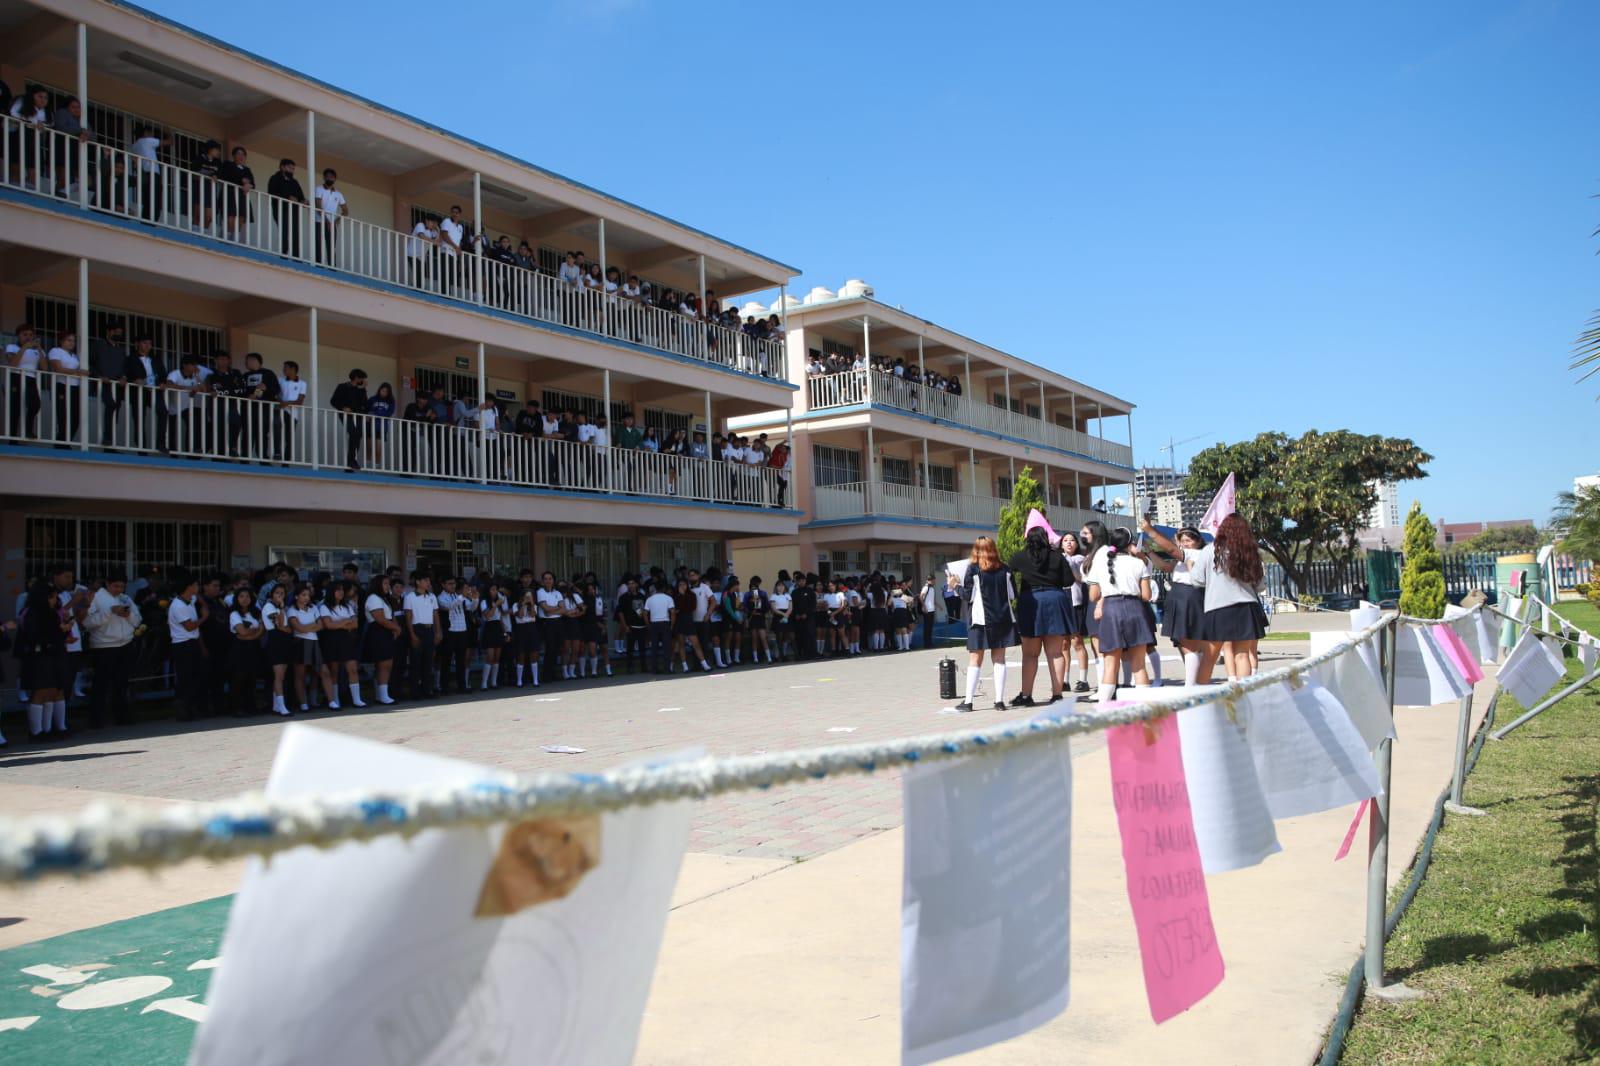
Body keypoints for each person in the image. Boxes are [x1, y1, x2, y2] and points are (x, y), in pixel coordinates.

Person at [1083, 526, 1156, 703]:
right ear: (1129, 544)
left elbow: (1093, 595)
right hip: (1135, 609)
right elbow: (1147, 596)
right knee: (1139, 665)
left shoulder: (1100, 563)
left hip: (1111, 610)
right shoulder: (1139, 563)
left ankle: (1104, 707)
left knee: (1110, 665)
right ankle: (1144, 709)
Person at [1192, 514, 1266, 682]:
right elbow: (1260, 585)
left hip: (1217, 607)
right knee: (1242, 655)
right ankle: (1243, 696)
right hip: (1246, 607)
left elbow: (1196, 579)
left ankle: (1198, 697)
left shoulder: (1210, 550)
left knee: (1209, 657)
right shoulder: (1250, 552)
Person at [1140, 519, 1211, 686]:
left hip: (1188, 595)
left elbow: (1171, 549)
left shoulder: (1197, 554)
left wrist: (1150, 531)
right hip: (1181, 595)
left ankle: (1192, 683)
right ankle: (1196, 680)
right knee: (1183, 641)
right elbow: (1166, 567)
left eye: (1189, 540)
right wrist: (1149, 552)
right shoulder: (1188, 556)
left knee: (1189, 642)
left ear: (1198, 541)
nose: (1185, 544)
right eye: (1183, 540)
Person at [1009, 525, 1072, 706]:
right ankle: (1057, 695)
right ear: (1046, 538)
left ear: (1028, 539)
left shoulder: (1020, 556)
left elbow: (1008, 572)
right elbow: (1068, 581)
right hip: (1054, 600)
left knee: (1030, 654)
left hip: (1031, 601)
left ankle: (1026, 695)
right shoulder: (1057, 556)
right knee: (1055, 653)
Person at [956, 537, 1017, 711]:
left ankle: (968, 702)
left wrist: (955, 586)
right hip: (1003, 618)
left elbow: (967, 596)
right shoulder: (1005, 569)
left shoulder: (973, 569)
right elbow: (1012, 595)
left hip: (979, 619)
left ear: (976, 549)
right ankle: (999, 701)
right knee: (999, 659)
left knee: (975, 659)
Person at [18, 581, 73, 740]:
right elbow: (34, 636)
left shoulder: (51, 612)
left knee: (53, 690)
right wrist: (58, 631)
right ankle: (36, 732)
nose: (54, 601)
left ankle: (49, 729)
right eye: (52, 597)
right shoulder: (32, 613)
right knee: (41, 691)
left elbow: (54, 635)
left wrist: (63, 630)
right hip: (39, 657)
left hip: (53, 655)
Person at [85, 573, 140, 727]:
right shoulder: (96, 598)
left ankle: (122, 717)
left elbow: (137, 620)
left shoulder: (125, 598)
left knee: (122, 683)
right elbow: (88, 622)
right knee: (101, 684)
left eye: (122, 586)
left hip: (125, 644)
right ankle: (96, 720)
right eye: (116, 586)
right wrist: (110, 612)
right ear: (108, 584)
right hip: (104, 646)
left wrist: (128, 615)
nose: (119, 589)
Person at [167, 573, 207, 722]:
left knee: (195, 676)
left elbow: (200, 600)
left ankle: (190, 708)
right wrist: (204, 617)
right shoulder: (178, 605)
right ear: (188, 587)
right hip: (182, 645)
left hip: (193, 643)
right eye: (195, 585)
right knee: (185, 678)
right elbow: (189, 626)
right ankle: (182, 709)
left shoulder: (190, 600)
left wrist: (201, 604)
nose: (198, 588)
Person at [1057, 531, 1092, 693]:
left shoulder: (1080, 560)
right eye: (1065, 540)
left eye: (1072, 540)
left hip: (1075, 602)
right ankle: (1064, 680)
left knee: (1077, 642)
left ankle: (1083, 679)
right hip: (1060, 602)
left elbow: (1081, 579)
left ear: (1077, 544)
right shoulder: (1058, 558)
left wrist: (1068, 564)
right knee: (1063, 644)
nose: (1069, 543)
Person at [321, 580, 364, 707]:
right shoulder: (324, 607)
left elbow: (355, 623)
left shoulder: (347, 606)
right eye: (337, 590)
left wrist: (339, 624)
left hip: (347, 640)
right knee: (334, 670)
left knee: (352, 668)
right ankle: (335, 699)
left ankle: (357, 699)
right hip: (332, 640)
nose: (341, 592)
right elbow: (329, 625)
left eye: (341, 590)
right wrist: (346, 621)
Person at [286, 584, 327, 711]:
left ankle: (320, 701)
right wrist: (310, 626)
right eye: (303, 595)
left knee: (320, 672)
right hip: (300, 643)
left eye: (308, 595)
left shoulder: (314, 607)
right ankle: (303, 703)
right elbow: (299, 628)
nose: (306, 598)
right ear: (297, 596)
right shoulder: (292, 610)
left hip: (314, 641)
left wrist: (306, 628)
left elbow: (320, 625)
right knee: (300, 674)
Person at [360, 575, 400, 704]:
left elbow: (389, 616)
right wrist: (397, 628)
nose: (388, 586)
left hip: (386, 631)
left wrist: (394, 628)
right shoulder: (373, 598)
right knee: (383, 664)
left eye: (389, 584)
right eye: (386, 584)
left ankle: (381, 694)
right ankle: (383, 696)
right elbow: (380, 619)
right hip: (378, 632)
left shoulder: (384, 599)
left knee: (387, 664)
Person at [227, 587, 264, 717]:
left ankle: (251, 706)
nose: (244, 599)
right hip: (239, 650)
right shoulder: (234, 614)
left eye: (247, 596)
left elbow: (261, 630)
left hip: (253, 648)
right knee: (238, 678)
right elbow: (241, 632)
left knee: (251, 678)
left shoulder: (255, 612)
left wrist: (251, 635)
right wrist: (255, 632)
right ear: (236, 599)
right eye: (241, 596)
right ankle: (237, 707)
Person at [5, 322, 45, 440]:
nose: (28, 337)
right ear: (18, 335)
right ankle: (12, 438)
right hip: (16, 378)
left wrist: (40, 350)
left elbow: (44, 368)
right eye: (24, 334)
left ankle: (28, 430)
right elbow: (13, 364)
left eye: (31, 335)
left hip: (31, 378)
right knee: (15, 408)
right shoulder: (12, 347)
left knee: (35, 405)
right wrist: (24, 348)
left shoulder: (37, 351)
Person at [47, 330, 86, 445]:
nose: (72, 343)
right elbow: (58, 368)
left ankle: (64, 442)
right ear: (61, 341)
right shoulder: (56, 351)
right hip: (61, 386)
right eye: (69, 340)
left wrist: (79, 373)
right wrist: (77, 372)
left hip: (75, 388)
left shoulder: (75, 356)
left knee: (75, 419)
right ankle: (61, 443)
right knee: (63, 417)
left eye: (73, 341)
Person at [261, 582, 294, 715]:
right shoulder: (269, 607)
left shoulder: (281, 608)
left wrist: (285, 628)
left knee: (282, 675)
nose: (280, 595)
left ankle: (276, 705)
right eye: (277, 593)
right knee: (278, 676)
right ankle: (282, 707)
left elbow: (288, 628)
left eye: (282, 593)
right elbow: (279, 625)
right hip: (275, 640)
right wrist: (281, 608)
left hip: (284, 641)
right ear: (272, 594)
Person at [437, 576, 471, 694]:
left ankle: (462, 685)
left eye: (454, 583)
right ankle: (444, 687)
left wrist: (475, 598)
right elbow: (449, 606)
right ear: (443, 585)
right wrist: (463, 596)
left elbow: (470, 607)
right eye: (450, 583)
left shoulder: (457, 596)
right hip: (450, 631)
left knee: (461, 660)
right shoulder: (441, 597)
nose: (453, 586)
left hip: (462, 630)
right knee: (446, 660)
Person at [330, 368, 369, 472]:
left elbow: (365, 405)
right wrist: (343, 408)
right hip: (346, 415)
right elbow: (333, 401)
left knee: (358, 435)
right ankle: (351, 461)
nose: (363, 381)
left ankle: (351, 462)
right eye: (362, 378)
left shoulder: (360, 390)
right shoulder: (342, 387)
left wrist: (363, 389)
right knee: (354, 433)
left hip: (358, 416)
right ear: (356, 378)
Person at [267, 158, 306, 257]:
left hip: (293, 211)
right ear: (282, 167)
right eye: (290, 168)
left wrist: (304, 202)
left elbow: (301, 197)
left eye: (293, 169)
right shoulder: (275, 178)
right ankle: (283, 256)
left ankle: (296, 258)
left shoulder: (294, 182)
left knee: (295, 234)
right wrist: (287, 197)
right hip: (281, 210)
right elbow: (272, 193)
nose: (292, 171)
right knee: (284, 233)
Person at [218, 145, 256, 242]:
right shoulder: (228, 164)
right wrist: (242, 180)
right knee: (230, 218)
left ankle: (234, 242)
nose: (241, 156)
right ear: (233, 156)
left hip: (242, 196)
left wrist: (249, 185)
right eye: (238, 154)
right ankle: (225, 241)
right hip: (229, 194)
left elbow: (253, 184)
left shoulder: (247, 169)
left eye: (243, 154)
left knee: (240, 219)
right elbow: (223, 176)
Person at [314, 167, 347, 265]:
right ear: (324, 177)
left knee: (331, 245)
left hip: (332, 224)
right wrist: (327, 221)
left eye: (332, 177)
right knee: (318, 243)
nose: (330, 179)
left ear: (335, 179)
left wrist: (337, 220)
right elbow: (318, 206)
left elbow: (345, 210)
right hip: (319, 221)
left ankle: (332, 267)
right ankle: (318, 265)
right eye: (327, 177)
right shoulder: (318, 189)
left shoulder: (338, 194)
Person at [479, 581, 508, 690]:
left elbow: (500, 618)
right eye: (492, 590)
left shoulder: (498, 602)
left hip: (497, 628)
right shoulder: (484, 602)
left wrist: (505, 632)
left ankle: (494, 682)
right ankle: (484, 683)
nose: (495, 592)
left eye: (496, 590)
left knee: (497, 656)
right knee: (490, 656)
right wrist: (495, 605)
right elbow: (488, 616)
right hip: (489, 627)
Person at [643, 579, 675, 674]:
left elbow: (645, 613)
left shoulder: (650, 599)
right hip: (665, 623)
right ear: (664, 588)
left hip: (654, 624)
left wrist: (648, 624)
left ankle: (654, 669)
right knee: (666, 647)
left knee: (654, 648)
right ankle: (667, 669)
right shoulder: (668, 598)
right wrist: (672, 624)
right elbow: (672, 612)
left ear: (655, 588)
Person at [512, 585, 541, 687]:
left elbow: (533, 615)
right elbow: (520, 615)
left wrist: (532, 603)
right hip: (521, 630)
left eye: (530, 596)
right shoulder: (516, 605)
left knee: (534, 654)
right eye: (527, 596)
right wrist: (523, 604)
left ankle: (535, 680)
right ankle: (519, 680)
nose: (528, 598)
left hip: (531, 629)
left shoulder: (534, 605)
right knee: (521, 655)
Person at [919, 573, 939, 651]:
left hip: (932, 609)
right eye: (932, 580)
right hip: (927, 610)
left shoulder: (932, 589)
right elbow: (920, 596)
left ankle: (929, 643)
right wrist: (924, 606)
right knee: (927, 627)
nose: (933, 581)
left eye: (933, 580)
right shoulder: (926, 587)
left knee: (930, 627)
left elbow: (932, 599)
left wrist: (938, 605)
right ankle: (926, 644)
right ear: (928, 580)